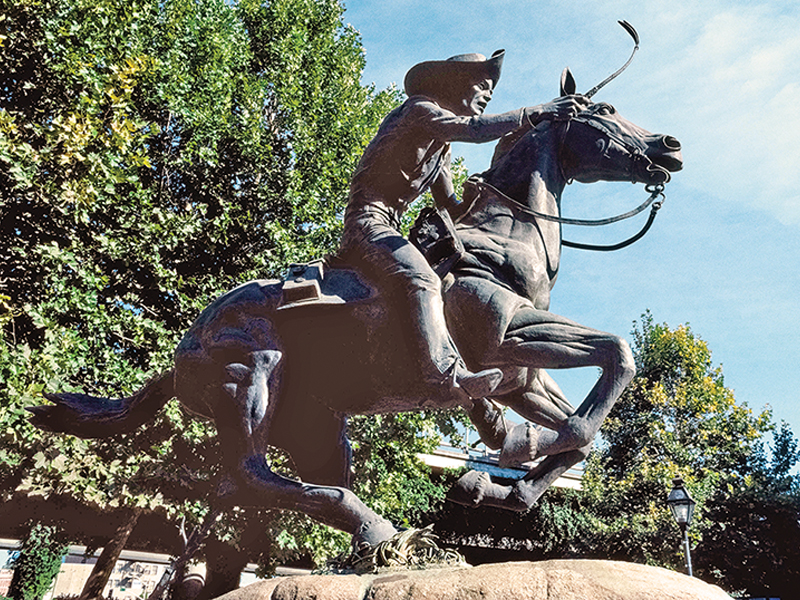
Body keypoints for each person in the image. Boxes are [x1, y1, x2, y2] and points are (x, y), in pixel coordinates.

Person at [340, 49, 588, 402]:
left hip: (392, 228)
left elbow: (450, 204)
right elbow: (469, 130)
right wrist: (538, 113)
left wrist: (481, 195)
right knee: (421, 278)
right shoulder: (419, 111)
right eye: (482, 85)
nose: (488, 95)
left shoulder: (440, 150)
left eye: (491, 89)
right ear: (456, 83)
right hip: (367, 223)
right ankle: (443, 374)